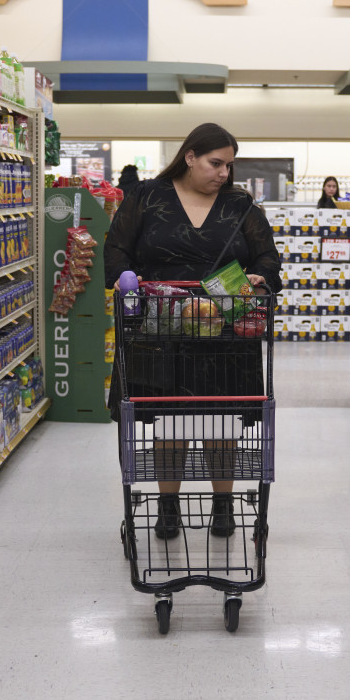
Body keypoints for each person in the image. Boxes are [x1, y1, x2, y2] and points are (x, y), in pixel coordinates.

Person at [104, 122, 282, 540]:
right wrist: (124, 280)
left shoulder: (241, 206)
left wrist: (260, 278)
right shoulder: (147, 197)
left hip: (226, 335)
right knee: (170, 423)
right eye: (214, 163)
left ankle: (223, 505)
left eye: (228, 165)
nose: (223, 172)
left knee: (221, 424)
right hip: (161, 332)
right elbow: (116, 249)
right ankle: (168, 507)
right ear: (189, 157)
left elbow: (268, 259)